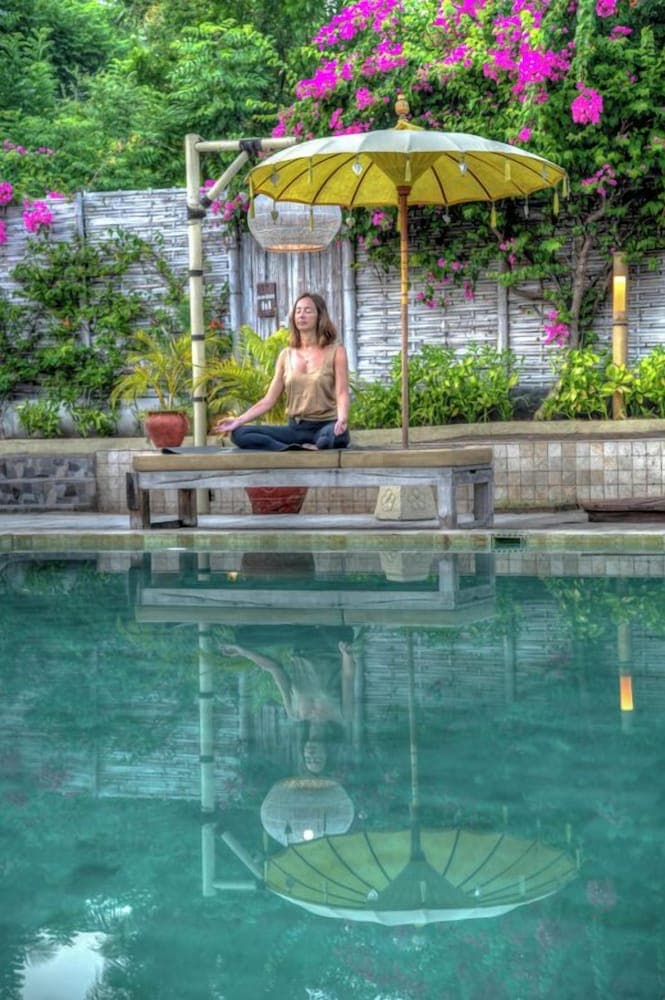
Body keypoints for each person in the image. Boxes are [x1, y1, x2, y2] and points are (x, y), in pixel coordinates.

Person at [213, 292, 351, 450]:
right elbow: (268, 400)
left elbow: (341, 392)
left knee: (338, 435)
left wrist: (342, 419)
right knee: (239, 433)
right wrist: (238, 420)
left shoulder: (336, 352)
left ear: (320, 316)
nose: (301, 315)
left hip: (325, 426)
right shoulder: (286, 355)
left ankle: (309, 446)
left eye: (308, 310)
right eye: (298, 311)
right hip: (295, 429)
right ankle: (293, 448)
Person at [221, 626, 357, 774]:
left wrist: (243, 652)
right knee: (334, 632)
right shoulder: (343, 715)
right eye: (317, 760)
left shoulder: (294, 713)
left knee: (244, 639)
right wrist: (346, 654)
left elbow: (274, 668)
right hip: (333, 645)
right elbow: (347, 676)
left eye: (308, 759)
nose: (311, 755)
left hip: (301, 642)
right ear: (329, 754)